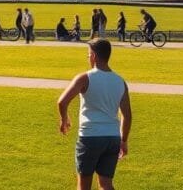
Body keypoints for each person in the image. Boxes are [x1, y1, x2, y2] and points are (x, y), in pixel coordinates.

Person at [56, 38, 132, 190]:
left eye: (88, 54)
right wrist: (123, 140)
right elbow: (127, 115)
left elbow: (62, 102)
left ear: (94, 56)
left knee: (84, 185)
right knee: (106, 184)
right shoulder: (120, 81)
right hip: (112, 138)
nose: (88, 58)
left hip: (90, 137)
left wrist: (64, 119)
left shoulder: (85, 78)